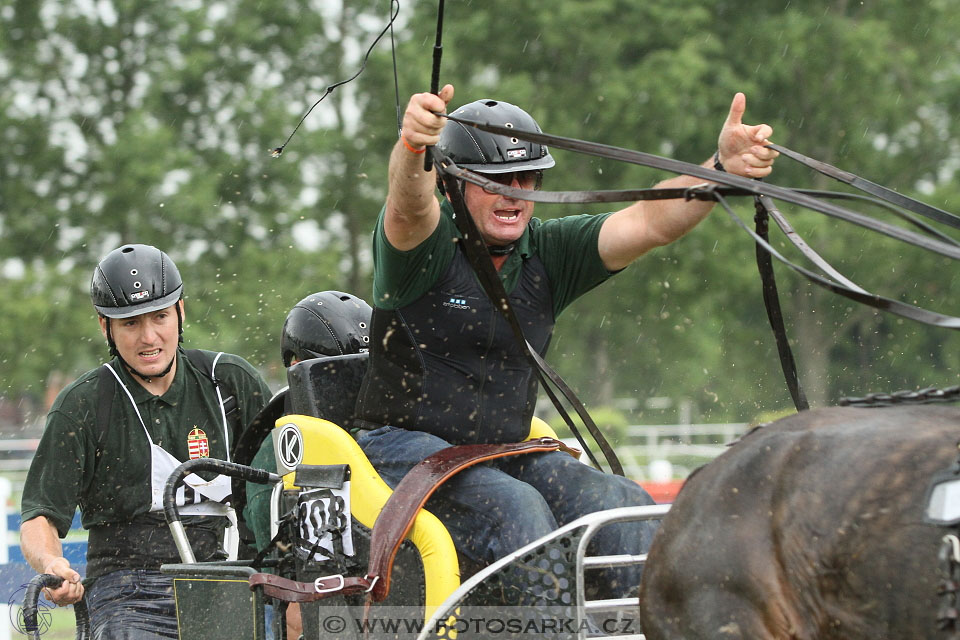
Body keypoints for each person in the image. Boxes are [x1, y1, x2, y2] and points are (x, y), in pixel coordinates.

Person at [351, 85, 778, 598]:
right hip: (397, 453)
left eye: (525, 177)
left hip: (498, 452)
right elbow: (407, 203)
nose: (514, 192)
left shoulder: (550, 252)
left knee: (622, 503)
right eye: (494, 180)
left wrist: (720, 171)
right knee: (516, 510)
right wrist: (413, 147)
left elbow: (649, 221)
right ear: (450, 184)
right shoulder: (419, 247)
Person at [19, 243, 273, 639]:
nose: (149, 337)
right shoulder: (83, 404)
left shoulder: (231, 384)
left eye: (159, 317)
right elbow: (39, 517)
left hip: (224, 579)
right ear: (106, 327)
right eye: (131, 323)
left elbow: (284, 484)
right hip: (125, 591)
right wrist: (52, 563)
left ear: (181, 312)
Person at [244, 290, 372, 640]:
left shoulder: (386, 427)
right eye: (340, 373)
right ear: (295, 368)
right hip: (305, 594)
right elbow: (272, 538)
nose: (357, 387)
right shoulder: (279, 441)